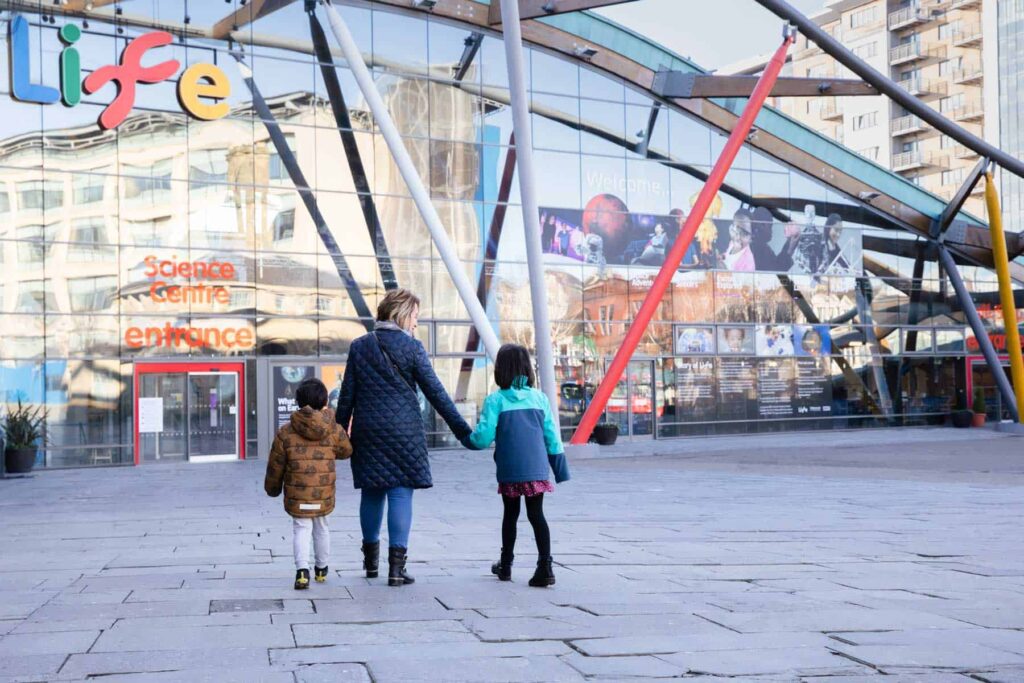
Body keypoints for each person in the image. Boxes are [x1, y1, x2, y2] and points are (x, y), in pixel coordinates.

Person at [336, 288, 472, 587]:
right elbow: (436, 392)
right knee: (400, 492)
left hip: (368, 430)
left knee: (371, 492)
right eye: (415, 316)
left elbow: (347, 394)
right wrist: (463, 431)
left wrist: (337, 431)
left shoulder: (360, 346)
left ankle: (370, 564)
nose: (415, 323)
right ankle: (396, 570)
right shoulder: (412, 348)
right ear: (402, 314)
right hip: (403, 431)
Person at [463, 344, 570, 587]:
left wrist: (467, 439)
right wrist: (560, 469)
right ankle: (545, 566)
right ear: (527, 368)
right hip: (537, 469)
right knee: (536, 515)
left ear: (500, 369)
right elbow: (552, 437)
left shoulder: (496, 400)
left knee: (510, 515)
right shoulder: (539, 398)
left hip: (510, 470)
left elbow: (482, 437)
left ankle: (506, 565)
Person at [264, 378, 352, 590]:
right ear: (324, 402)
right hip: (323, 493)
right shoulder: (333, 429)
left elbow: (276, 464)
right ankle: (321, 569)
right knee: (322, 527)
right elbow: (347, 450)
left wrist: (272, 488)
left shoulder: (286, 431)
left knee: (301, 529)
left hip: (298, 494)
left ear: (298, 402)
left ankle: (302, 572)